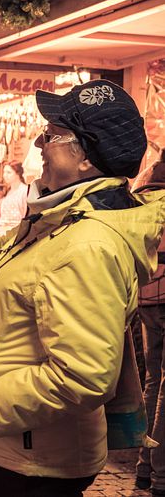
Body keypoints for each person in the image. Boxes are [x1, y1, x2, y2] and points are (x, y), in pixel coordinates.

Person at [0, 79, 165, 496]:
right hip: (24, 446)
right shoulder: (65, 220)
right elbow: (24, 283)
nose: (40, 142)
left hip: (40, 460)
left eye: (54, 134)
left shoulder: (88, 243)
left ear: (85, 160)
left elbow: (84, 376)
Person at [134, 155, 165, 496]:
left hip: (146, 296)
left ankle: (145, 469)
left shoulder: (143, 185)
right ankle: (160, 478)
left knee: (153, 380)